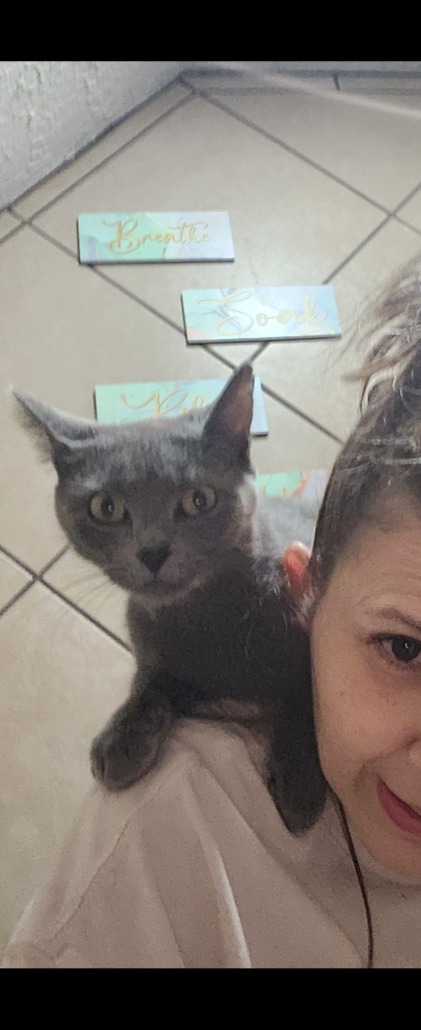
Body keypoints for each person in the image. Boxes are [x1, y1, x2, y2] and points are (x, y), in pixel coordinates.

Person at [4, 258, 421, 969]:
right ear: (308, 592)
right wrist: (155, 697)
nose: (151, 549)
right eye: (404, 648)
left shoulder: (293, 589)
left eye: (195, 503)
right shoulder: (152, 857)